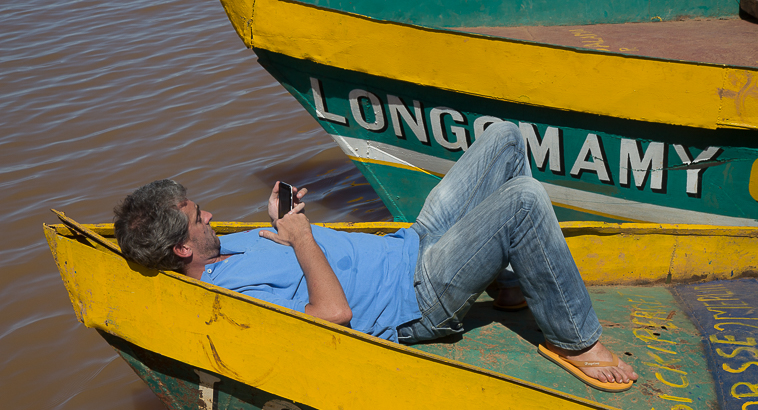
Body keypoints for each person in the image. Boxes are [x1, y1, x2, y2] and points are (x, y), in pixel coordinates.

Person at [114, 122, 637, 391]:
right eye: (198, 217)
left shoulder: (226, 246)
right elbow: (332, 316)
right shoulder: (230, 296)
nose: (208, 216)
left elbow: (290, 248)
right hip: (418, 295)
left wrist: (282, 219)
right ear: (182, 249)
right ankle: (574, 340)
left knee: (503, 138)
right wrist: (300, 237)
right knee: (523, 202)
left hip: (411, 243)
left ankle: (508, 284)